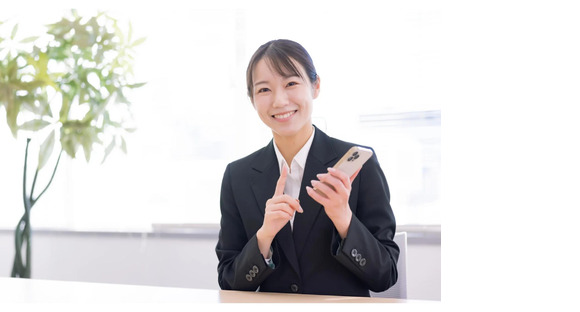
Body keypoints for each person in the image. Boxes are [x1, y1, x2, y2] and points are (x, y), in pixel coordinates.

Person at [215, 39, 399, 297]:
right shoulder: (238, 176)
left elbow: (385, 274)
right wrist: (264, 237)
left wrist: (343, 218)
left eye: (291, 83)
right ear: (252, 99)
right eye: (264, 89)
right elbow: (229, 281)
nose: (279, 101)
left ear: (316, 86)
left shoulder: (357, 165)